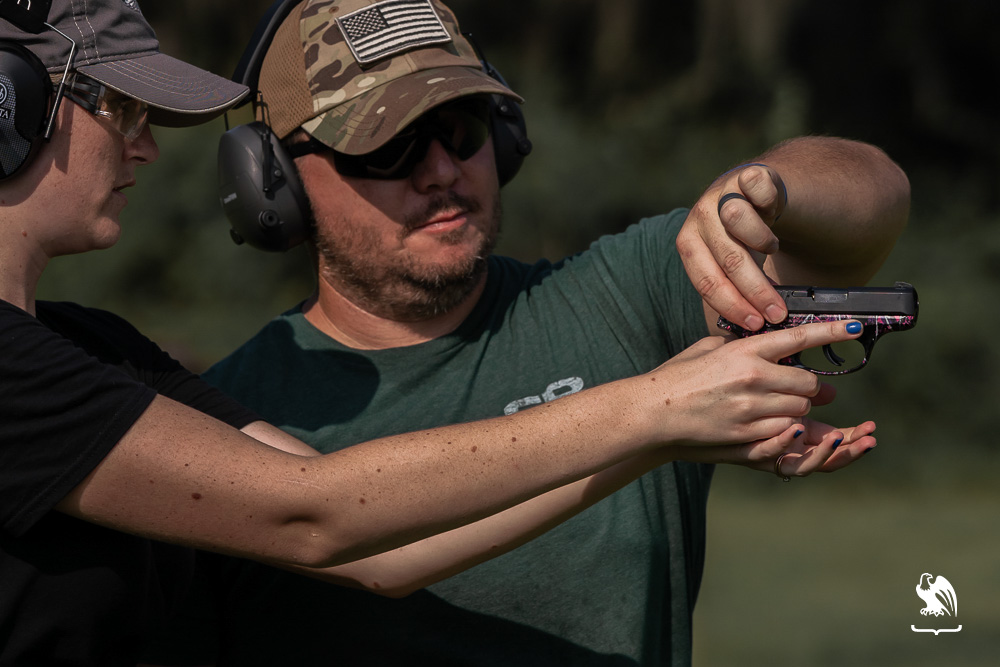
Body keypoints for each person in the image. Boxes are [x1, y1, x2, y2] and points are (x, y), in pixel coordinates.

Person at [0, 1, 879, 665]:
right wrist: (654, 408)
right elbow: (317, 514)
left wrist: (670, 424)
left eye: (459, 132)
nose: (145, 149)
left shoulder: (99, 351)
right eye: (118, 106)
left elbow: (382, 549)